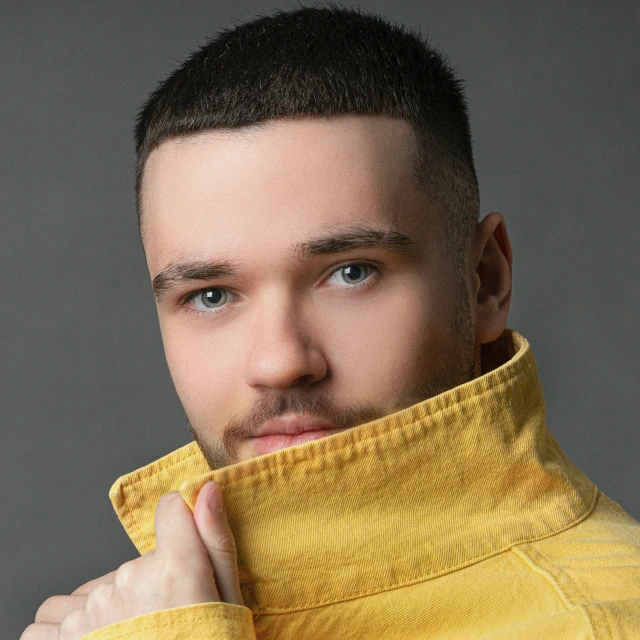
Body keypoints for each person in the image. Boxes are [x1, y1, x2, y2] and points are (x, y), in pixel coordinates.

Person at [21, 5, 640, 640]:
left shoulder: (597, 622)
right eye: (211, 296)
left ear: (485, 281)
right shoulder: (149, 611)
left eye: (351, 273)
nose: (280, 361)